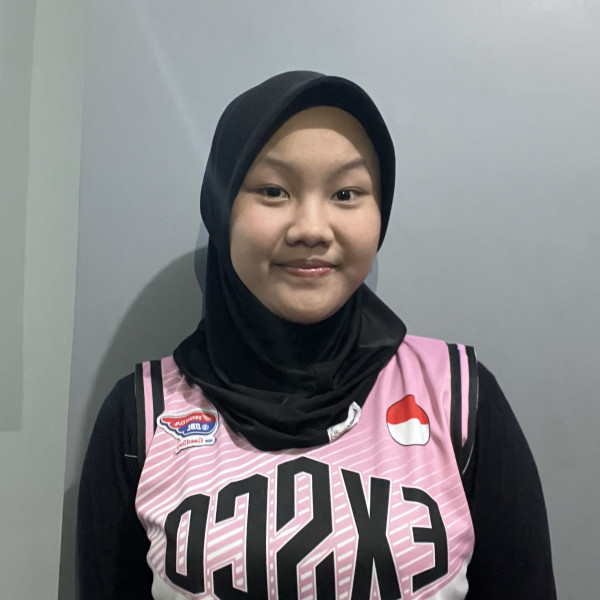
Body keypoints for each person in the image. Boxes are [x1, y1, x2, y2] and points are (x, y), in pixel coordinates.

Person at [77, 71, 556, 599]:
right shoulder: (143, 416)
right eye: (273, 191)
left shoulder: (457, 399)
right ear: (222, 207)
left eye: (346, 193)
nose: (311, 228)